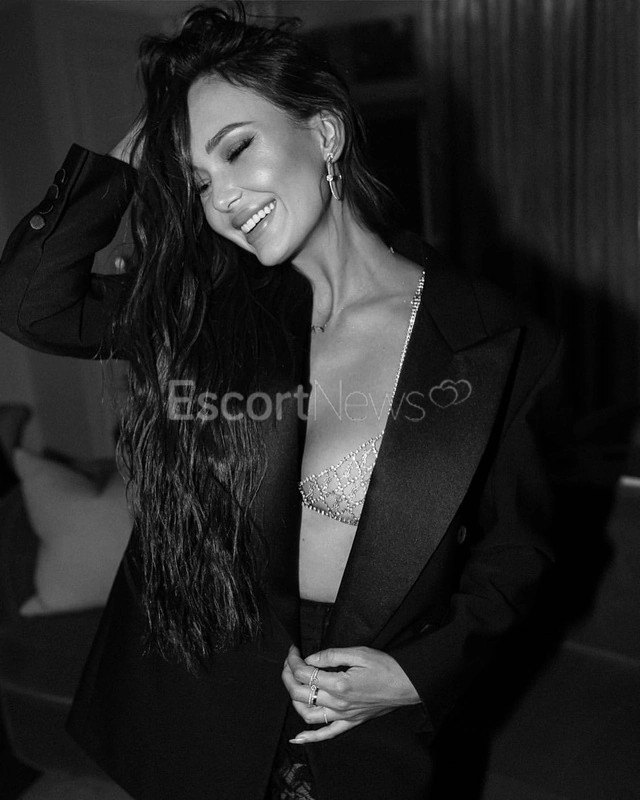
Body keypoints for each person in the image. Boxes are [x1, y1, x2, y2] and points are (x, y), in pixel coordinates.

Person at [0, 4, 564, 799]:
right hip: (201, 708)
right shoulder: (207, 313)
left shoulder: (494, 340)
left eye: (237, 149)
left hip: (364, 731)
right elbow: (31, 305)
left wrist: (414, 674)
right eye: (199, 181)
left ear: (324, 134)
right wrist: (123, 165)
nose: (222, 198)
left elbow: (517, 554)